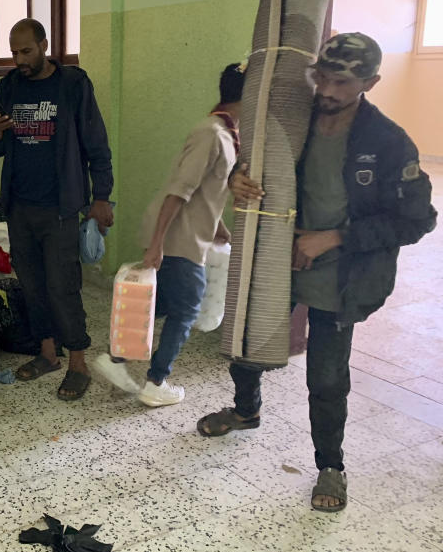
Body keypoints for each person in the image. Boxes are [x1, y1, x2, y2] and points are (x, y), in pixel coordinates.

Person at [197, 33, 436, 512]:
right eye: (321, 77)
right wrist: (237, 179)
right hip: (278, 258)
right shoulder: (295, 122)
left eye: (341, 82)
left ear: (370, 82)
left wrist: (333, 238)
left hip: (342, 273)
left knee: (326, 377)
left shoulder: (387, 142)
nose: (326, 89)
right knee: (245, 343)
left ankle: (331, 465)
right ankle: (247, 410)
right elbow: (253, 167)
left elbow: (418, 219)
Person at [0, 18, 114, 400]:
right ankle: (47, 354)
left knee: (63, 286)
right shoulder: (9, 85)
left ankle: (77, 362)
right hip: (19, 205)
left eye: (26, 51)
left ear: (44, 45)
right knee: (32, 285)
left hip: (60, 206)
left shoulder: (73, 85)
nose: (20, 59)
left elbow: (96, 142)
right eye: (14, 52)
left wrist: (101, 196)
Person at [126, 63, 245, 407]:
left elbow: (210, 192)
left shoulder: (226, 133)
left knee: (160, 303)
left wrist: (221, 229)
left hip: (190, 233)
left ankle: (115, 358)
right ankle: (156, 382)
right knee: (188, 307)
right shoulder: (211, 133)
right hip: (178, 237)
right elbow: (180, 192)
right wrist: (157, 245)